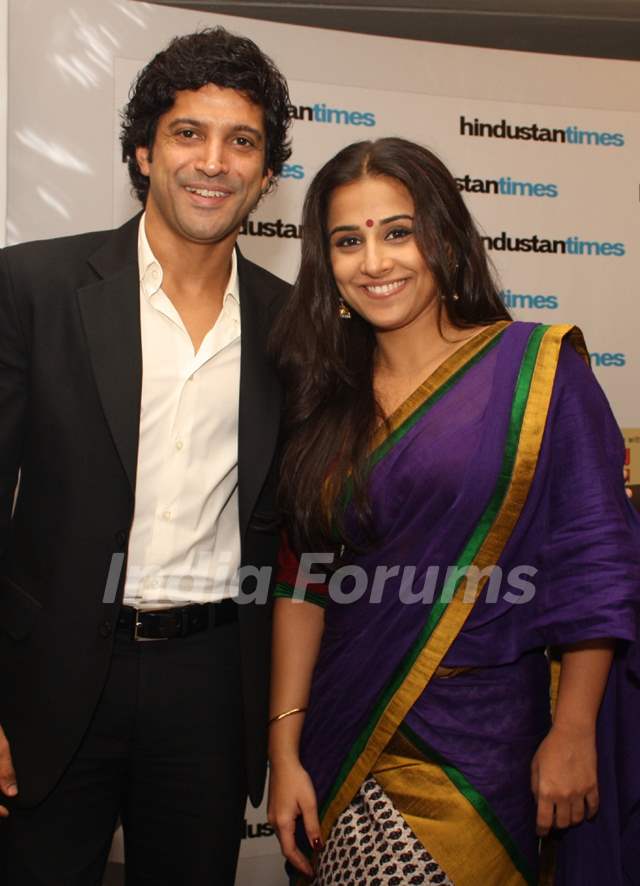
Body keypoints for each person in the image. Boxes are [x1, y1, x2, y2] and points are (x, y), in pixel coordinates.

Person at [267, 137, 640, 885]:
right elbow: (302, 579)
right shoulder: (323, 401)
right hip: (345, 729)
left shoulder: (536, 373)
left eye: (397, 231)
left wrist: (573, 733)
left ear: (443, 236)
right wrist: (284, 751)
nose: (375, 261)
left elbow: (593, 561)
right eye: (349, 240)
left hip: (483, 740)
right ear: (328, 265)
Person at [0, 26, 291, 885]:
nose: (214, 161)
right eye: (187, 133)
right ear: (143, 152)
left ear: (267, 174)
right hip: (48, 675)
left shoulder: (294, 325)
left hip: (208, 685)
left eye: (242, 142)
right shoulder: (34, 289)